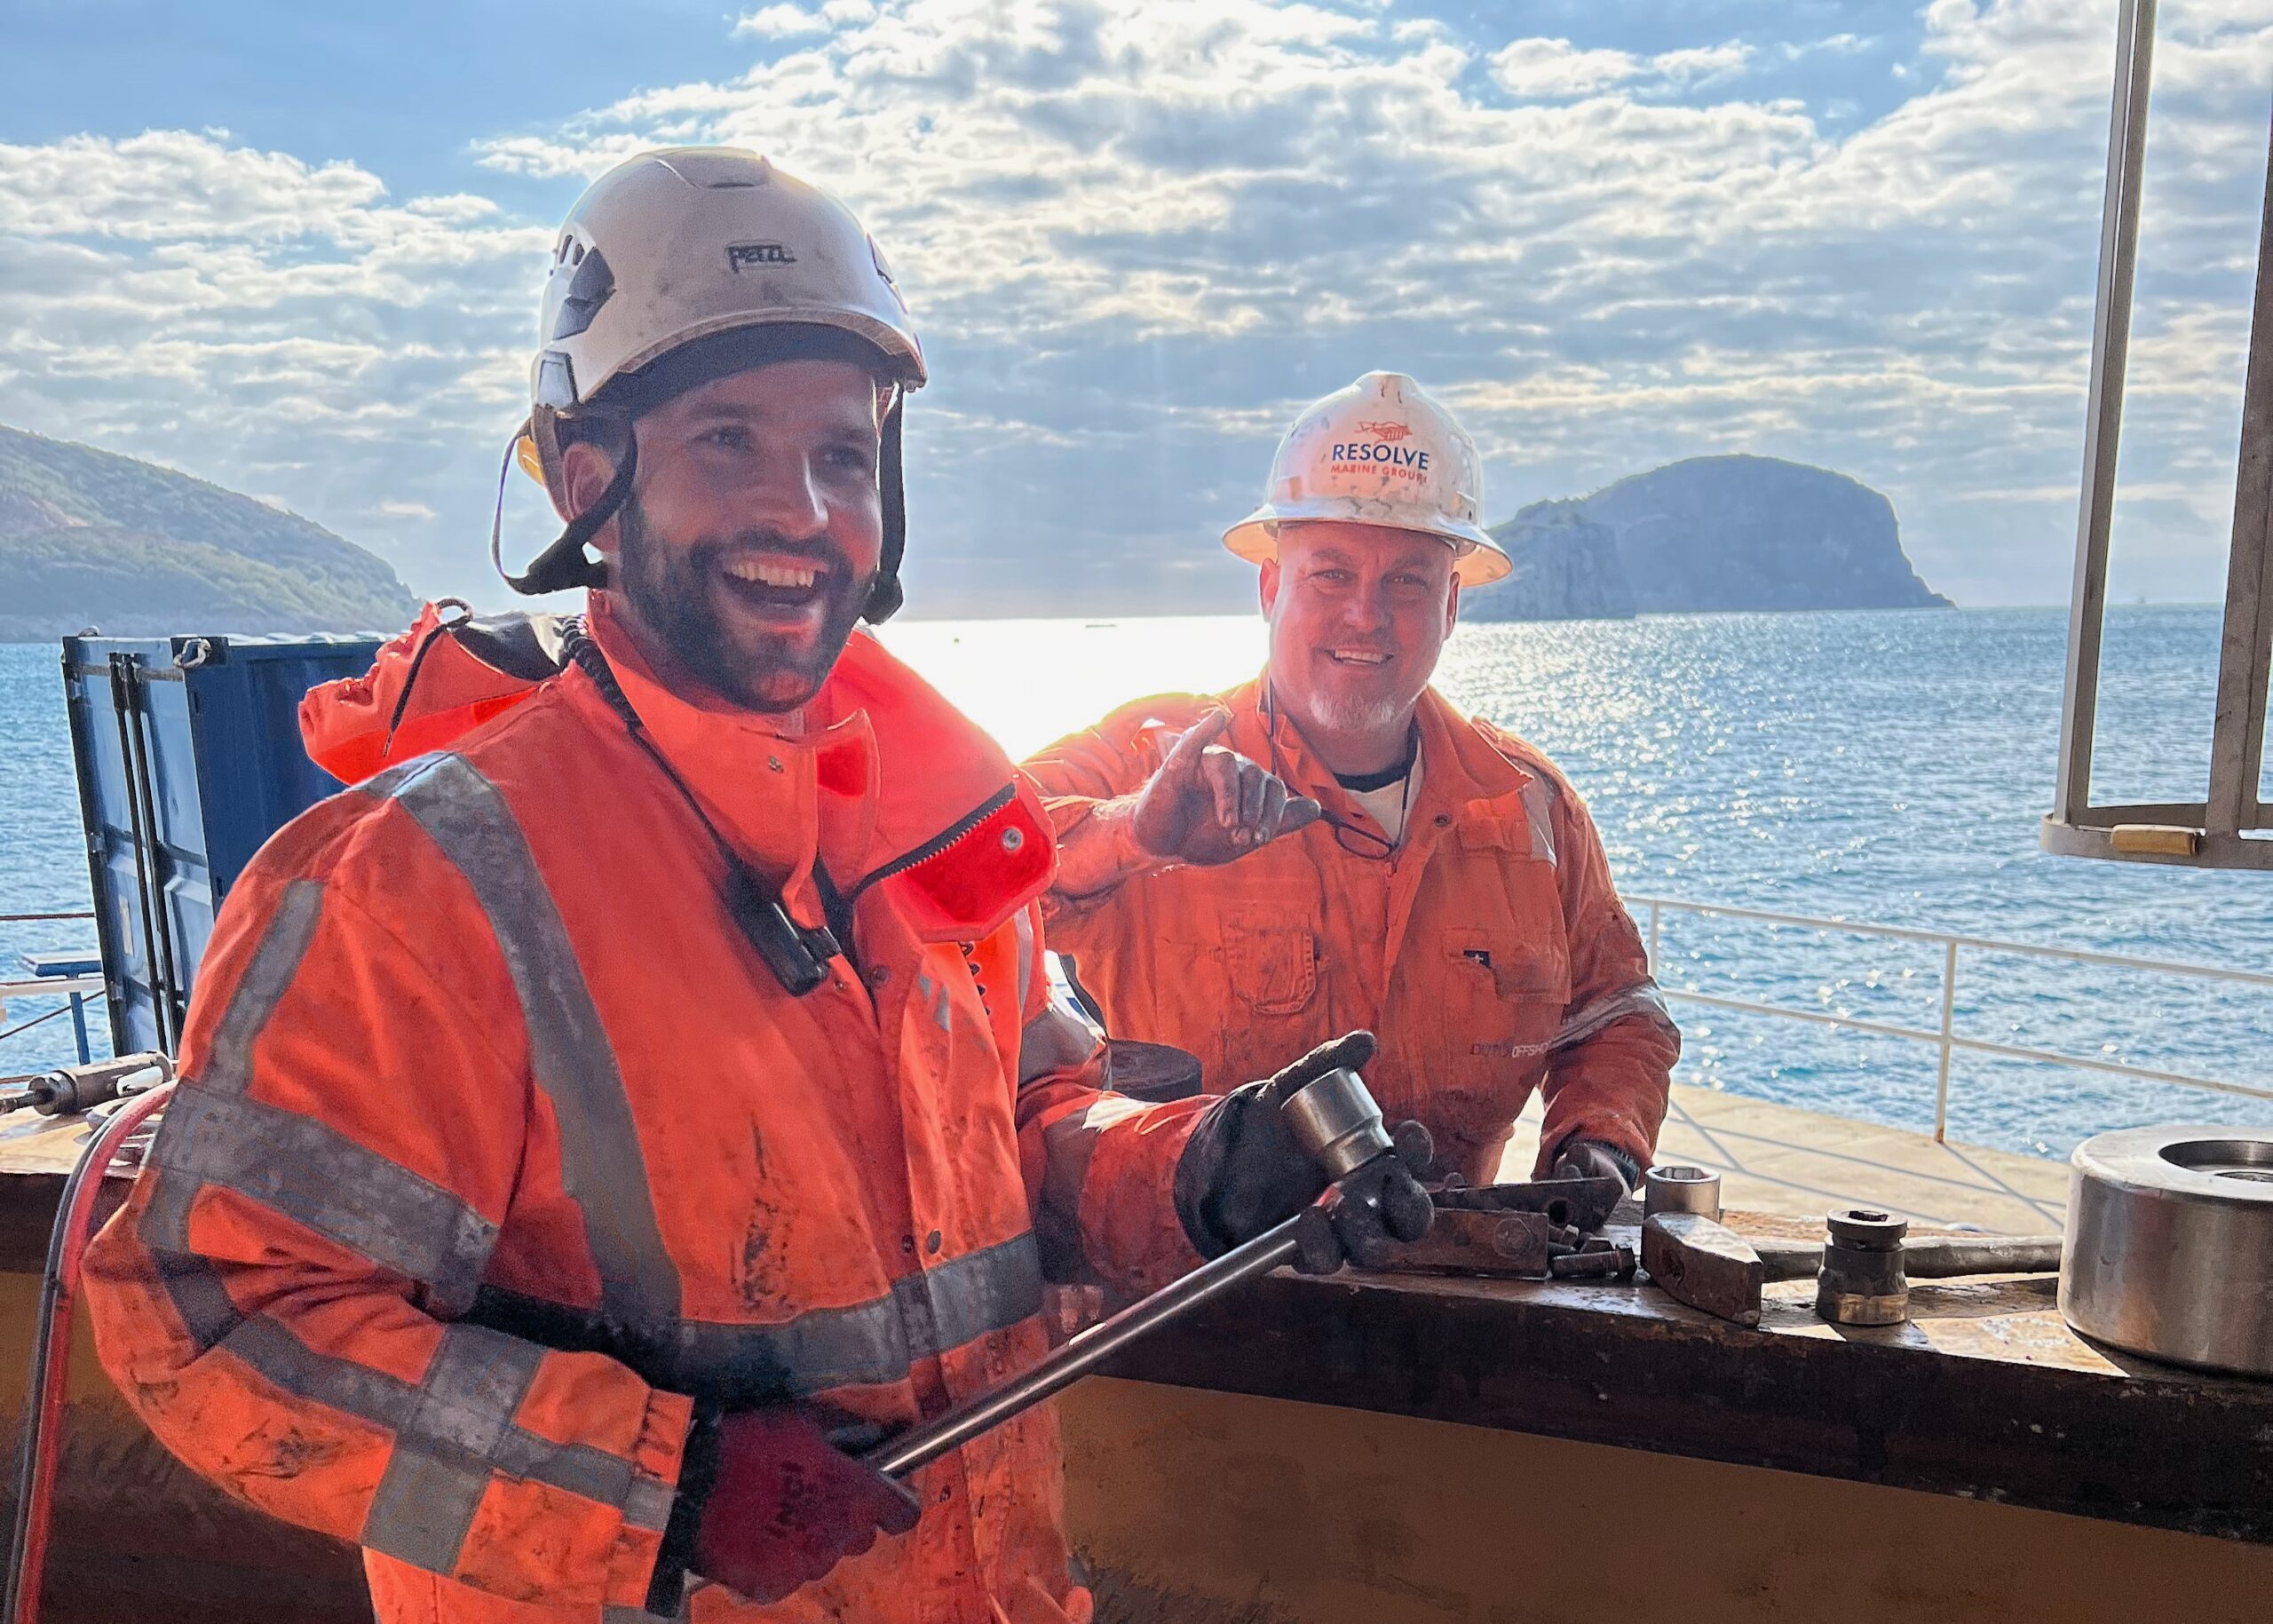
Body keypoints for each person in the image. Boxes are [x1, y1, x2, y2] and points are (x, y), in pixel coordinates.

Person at [81, 150, 1426, 1624]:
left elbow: (1029, 1130)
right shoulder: (420, 886)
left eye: (842, 456)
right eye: (728, 440)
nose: (802, 512)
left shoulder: (940, 836)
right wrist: (657, 1484)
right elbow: (214, 1303)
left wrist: (1201, 1169)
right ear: (590, 474)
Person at [1024, 372, 1679, 1195]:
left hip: (1452, 1284)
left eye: (1406, 581)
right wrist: (1133, 834)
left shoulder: (1529, 805)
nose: (1366, 615)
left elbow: (1617, 1009)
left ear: (1451, 607)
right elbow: (964, 865)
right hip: (1202, 1294)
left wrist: (1601, 1146)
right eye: (1330, 574)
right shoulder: (1157, 761)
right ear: (1271, 588)